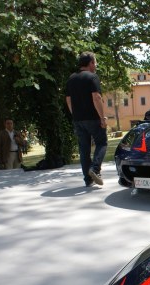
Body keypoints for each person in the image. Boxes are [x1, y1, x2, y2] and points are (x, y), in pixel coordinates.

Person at [65, 51, 108, 187]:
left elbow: (68, 100)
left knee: (84, 149)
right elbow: (96, 97)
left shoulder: (71, 79)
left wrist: (75, 114)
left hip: (78, 120)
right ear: (90, 63)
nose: (95, 65)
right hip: (93, 118)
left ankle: (88, 179)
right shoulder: (92, 77)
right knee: (102, 143)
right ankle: (95, 169)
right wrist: (102, 117)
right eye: (95, 62)